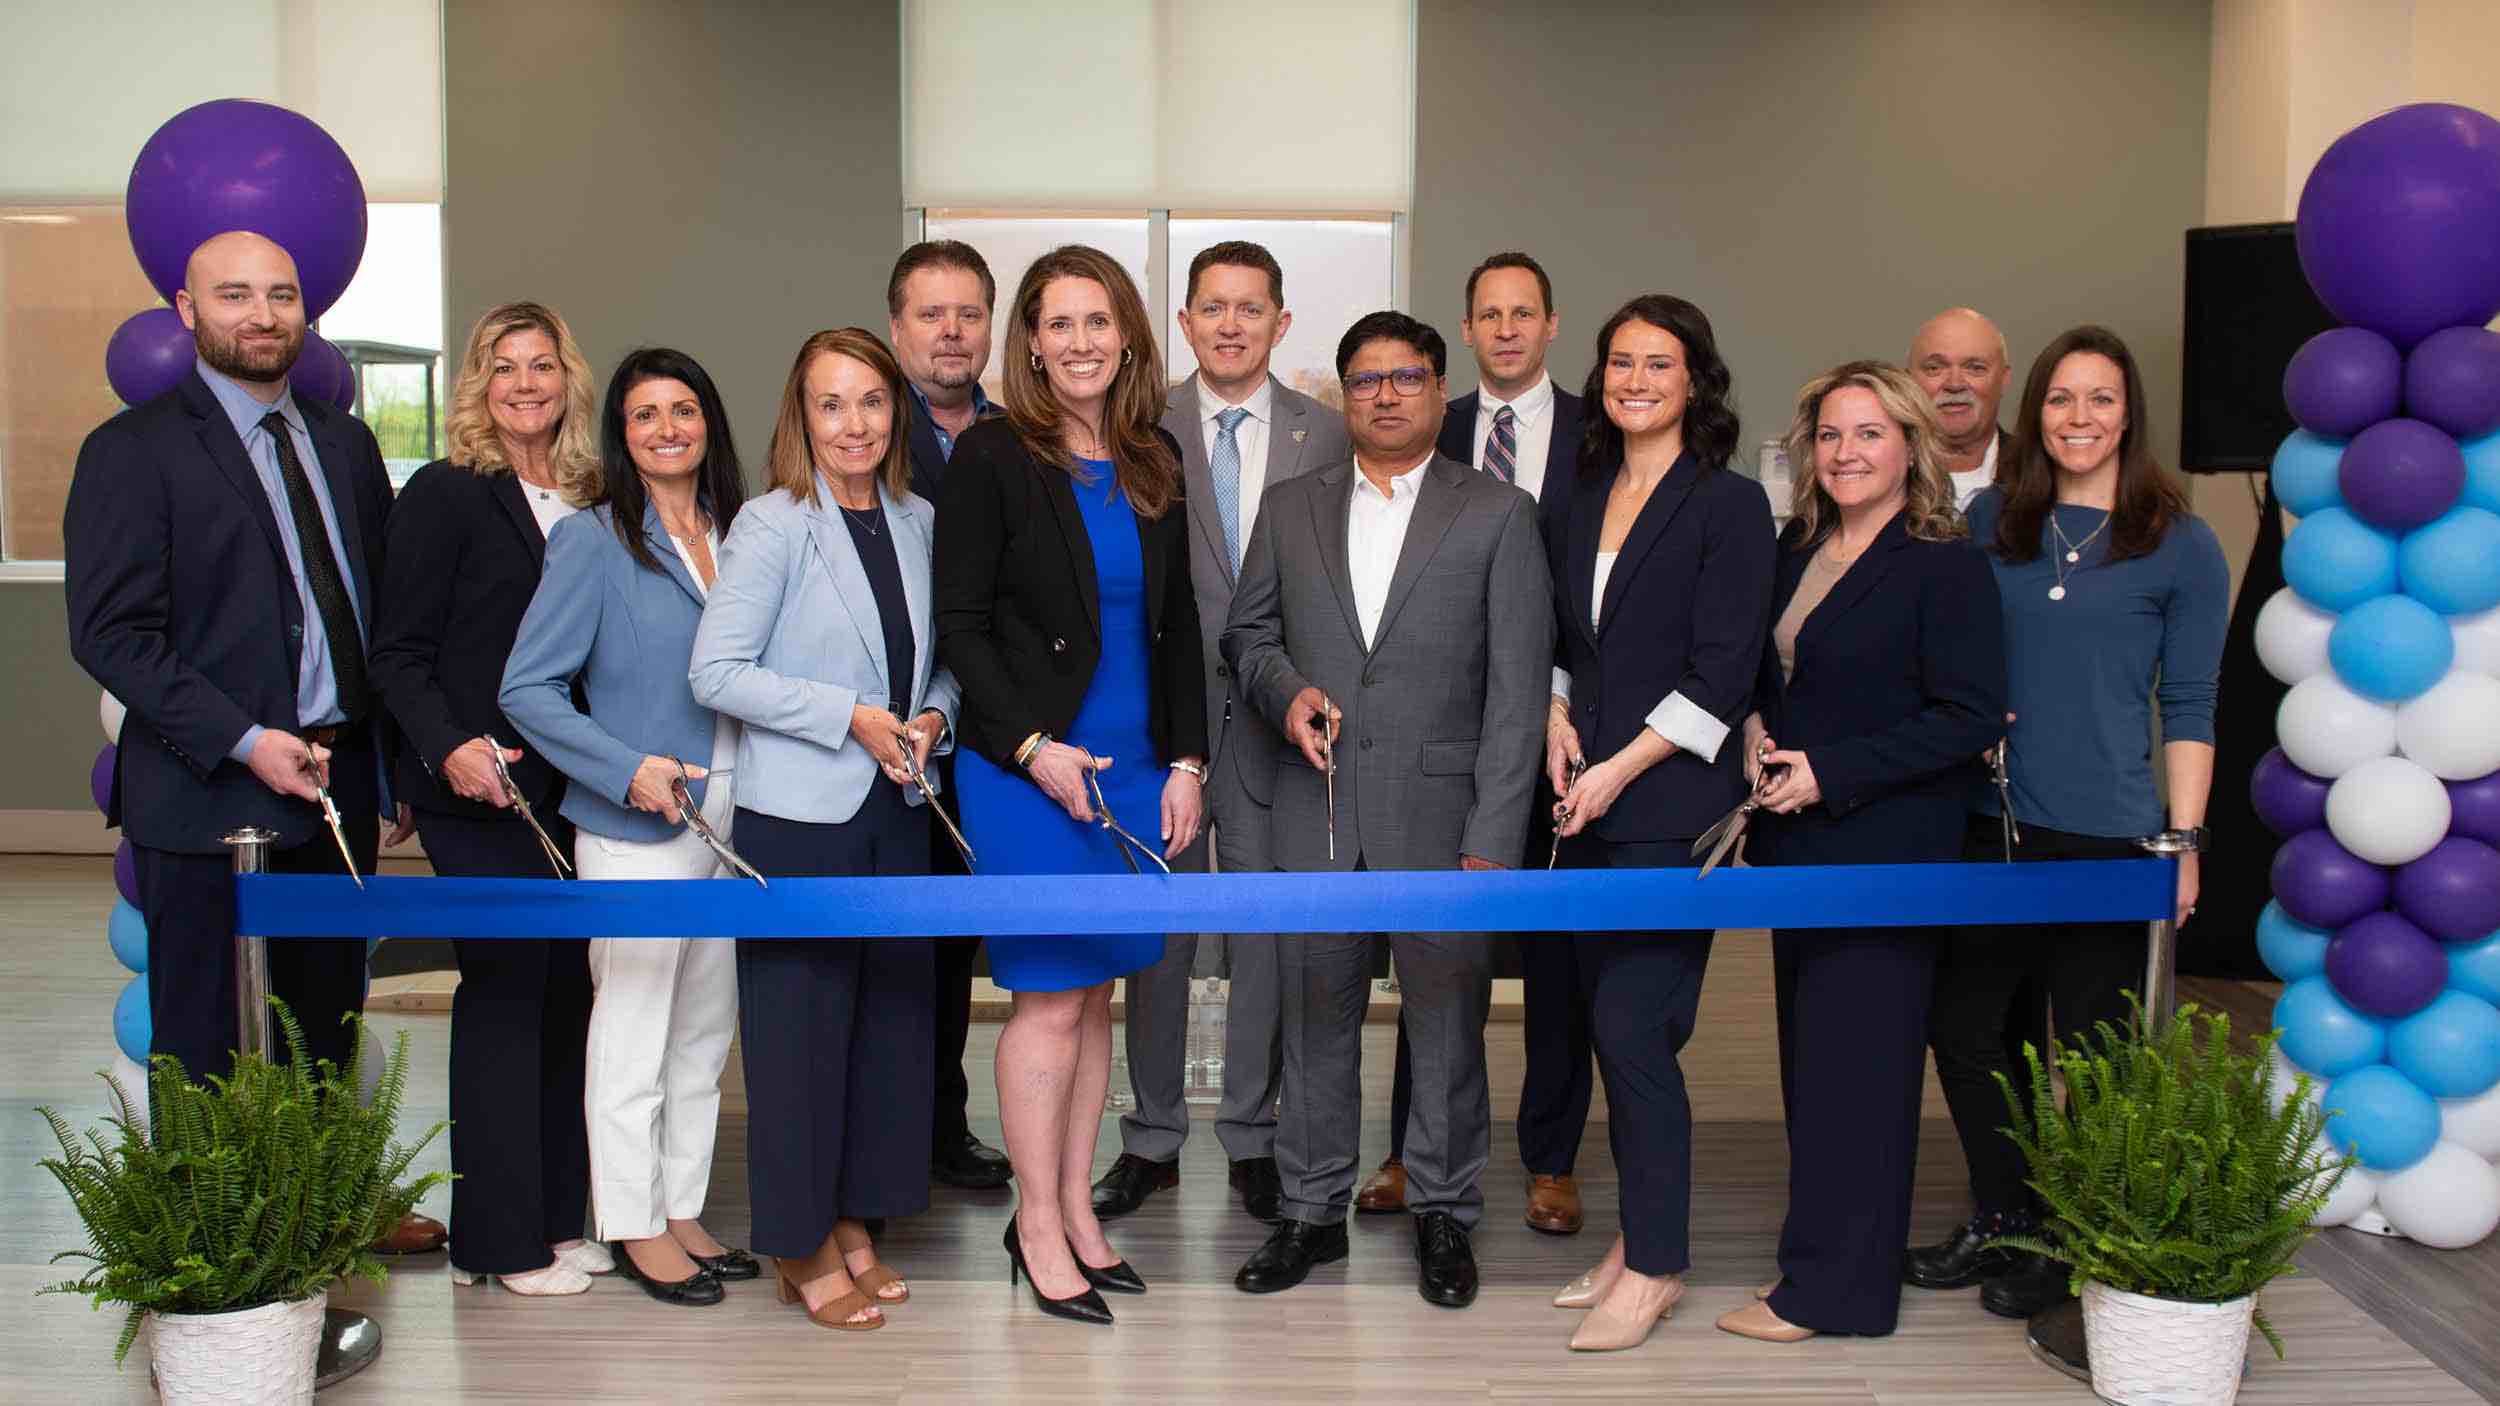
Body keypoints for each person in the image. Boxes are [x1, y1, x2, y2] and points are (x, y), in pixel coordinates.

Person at [65, 229, 442, 1257]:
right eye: (233, 295)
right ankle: (216, 1254)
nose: (261, 315)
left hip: (338, 783)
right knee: (206, 1041)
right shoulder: (131, 450)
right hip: (206, 794)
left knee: (328, 1023)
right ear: (184, 311)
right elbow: (109, 633)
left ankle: (329, 1212)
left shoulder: (345, 443)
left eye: (280, 295)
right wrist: (242, 739)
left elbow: (375, 622)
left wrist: (392, 761)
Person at [1225, 310, 1553, 1309]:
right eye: (1365, 378)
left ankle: (1445, 1210)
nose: (1384, 393)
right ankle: (1312, 1209)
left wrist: (1494, 836)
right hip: (1313, 806)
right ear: (1345, 392)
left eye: (1405, 376)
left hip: (1445, 823)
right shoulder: (1290, 507)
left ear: (1436, 384)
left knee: (1448, 1023)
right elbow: (1246, 634)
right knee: (1311, 1016)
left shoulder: (1495, 511)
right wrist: (1287, 695)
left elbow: (1515, 686)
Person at [1911, 326, 2226, 1320]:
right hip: (1990, 822)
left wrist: (2181, 842)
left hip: (2110, 834)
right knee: (1965, 1029)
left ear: (2128, 410)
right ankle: (2007, 1215)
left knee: (2091, 1052)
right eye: (2059, 399)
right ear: (2033, 410)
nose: (2078, 418)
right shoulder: (1989, 521)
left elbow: (2191, 703)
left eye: (2099, 398)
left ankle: (2076, 1234)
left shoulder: (2178, 539)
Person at [934, 244, 1208, 1327]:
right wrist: (1033, 746)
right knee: (1048, 998)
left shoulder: (1153, 455)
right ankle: (1036, 1222)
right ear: (1031, 343)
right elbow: (961, 626)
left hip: (1133, 766)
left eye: (1099, 321)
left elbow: (1178, 622)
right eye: (1059, 323)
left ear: (1128, 335)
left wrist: (1186, 760)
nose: (1080, 341)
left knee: (1098, 994)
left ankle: (1077, 1214)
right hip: (1025, 765)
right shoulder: (995, 457)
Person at [1715, 361, 2004, 1344]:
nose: (1845, 452)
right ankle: (1823, 1264)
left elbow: (1968, 716)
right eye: (1830, 435)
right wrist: (1757, 729)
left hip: (1887, 848)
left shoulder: (1943, 563)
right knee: (1816, 1067)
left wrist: (1830, 771)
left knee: (1861, 1076)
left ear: (1911, 446)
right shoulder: (1797, 546)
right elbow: (1772, 673)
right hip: (1802, 850)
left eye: (1869, 433)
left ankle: (1835, 1295)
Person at [689, 328, 960, 1331]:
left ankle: (853, 1219)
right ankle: (799, 1245)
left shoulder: (921, 519)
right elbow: (714, 672)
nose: (853, 423)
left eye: (870, 403)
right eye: (830, 404)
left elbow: (938, 660)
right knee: (799, 1040)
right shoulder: (771, 523)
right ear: (801, 416)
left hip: (897, 807)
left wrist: (933, 716)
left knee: (886, 1031)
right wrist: (847, 712)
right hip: (798, 815)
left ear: (896, 413)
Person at [1092, 240, 1352, 1228]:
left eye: (1251, 307)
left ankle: (1252, 1132)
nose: (1231, 323)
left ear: (1282, 322)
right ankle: (1151, 1135)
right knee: (1158, 935)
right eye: (1213, 307)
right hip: (1164, 723)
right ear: (1187, 321)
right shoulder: (1134, 426)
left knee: (1264, 938)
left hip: (1283, 727)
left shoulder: (1325, 435)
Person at [1542, 295, 1774, 1350]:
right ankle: (1636, 1241)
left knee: (1638, 1032)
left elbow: (1722, 672)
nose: (1635, 378)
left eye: (1659, 363)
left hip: (1671, 806)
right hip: (1581, 801)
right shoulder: (1581, 490)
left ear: (1695, 381)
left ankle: (1659, 1261)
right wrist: (1554, 717)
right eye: (1620, 361)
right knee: (1610, 1028)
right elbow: (1563, 638)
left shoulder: (1727, 507)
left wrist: (1618, 767)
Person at [500, 347, 752, 1308]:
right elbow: (527, 688)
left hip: (739, 806)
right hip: (636, 815)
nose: (666, 429)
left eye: (683, 409)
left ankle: (682, 1204)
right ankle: (634, 1220)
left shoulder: (744, 531)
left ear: (707, 422)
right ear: (622, 433)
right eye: (644, 415)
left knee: (703, 1028)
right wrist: (624, 768)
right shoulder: (595, 539)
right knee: (634, 1027)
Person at [368, 301, 603, 1294]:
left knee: (564, 996)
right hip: (479, 786)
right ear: (478, 382)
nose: (522, 383)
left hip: (574, 787)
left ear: (567, 376)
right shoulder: (443, 492)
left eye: (540, 364)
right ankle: (499, 1243)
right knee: (507, 989)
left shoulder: (596, 493)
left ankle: (557, 1218)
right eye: (501, 366)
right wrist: (445, 750)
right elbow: (398, 649)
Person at [1362, 251, 1590, 1232]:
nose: (1504, 328)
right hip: (1450, 741)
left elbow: (1595, 589)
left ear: (1550, 324)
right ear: (1464, 332)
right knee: (1434, 946)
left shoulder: (1598, 434)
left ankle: (1550, 1157)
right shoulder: (1428, 424)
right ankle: (1417, 1152)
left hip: (1574, 728)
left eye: (1522, 312)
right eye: (1487, 313)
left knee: (1558, 959)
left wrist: (1556, 701)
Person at [887, 239, 1015, 1192]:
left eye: (969, 313)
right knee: (890, 949)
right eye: (932, 314)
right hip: (874, 740)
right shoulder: (858, 431)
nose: (952, 332)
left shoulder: (1022, 437)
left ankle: (939, 1125)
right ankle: (885, 1139)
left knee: (955, 950)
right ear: (898, 329)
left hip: (988, 740)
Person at [1907, 307, 2015, 510]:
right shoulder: (1880, 477)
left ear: (2004, 379)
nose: (1954, 384)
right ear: (1908, 381)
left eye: (1975, 368)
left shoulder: (2042, 472)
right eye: (1934, 368)